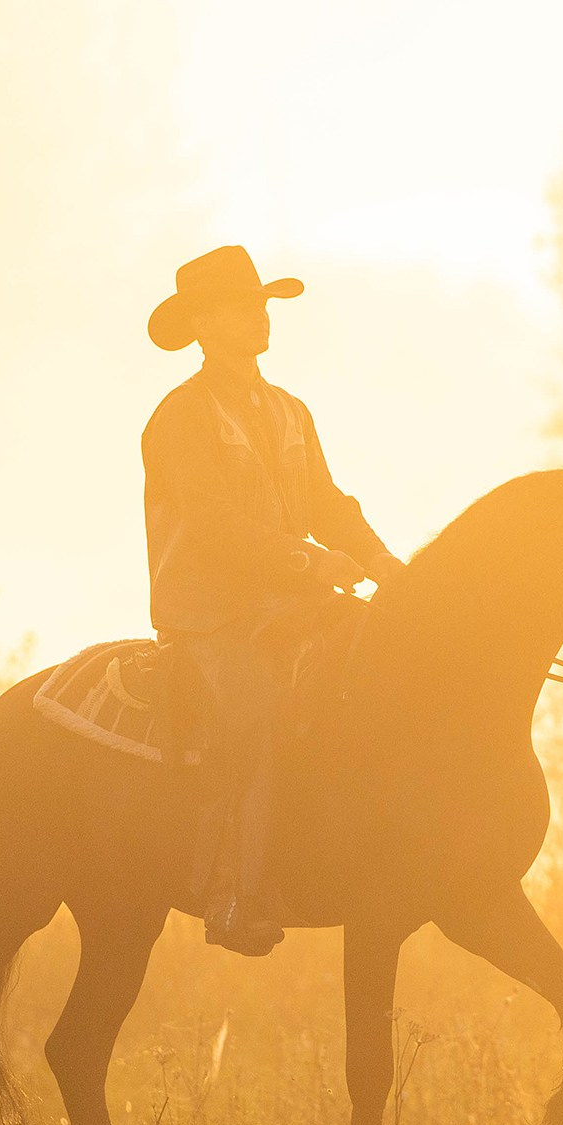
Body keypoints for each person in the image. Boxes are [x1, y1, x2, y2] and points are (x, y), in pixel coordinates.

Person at [141, 245, 406, 954]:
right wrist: (310, 562)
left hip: (289, 605)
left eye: (262, 303)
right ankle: (232, 894)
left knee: (374, 667)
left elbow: (327, 501)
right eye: (242, 305)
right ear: (200, 324)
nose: (260, 315)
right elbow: (214, 525)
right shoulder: (180, 417)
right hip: (211, 614)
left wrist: (386, 565)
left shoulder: (290, 410)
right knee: (255, 711)